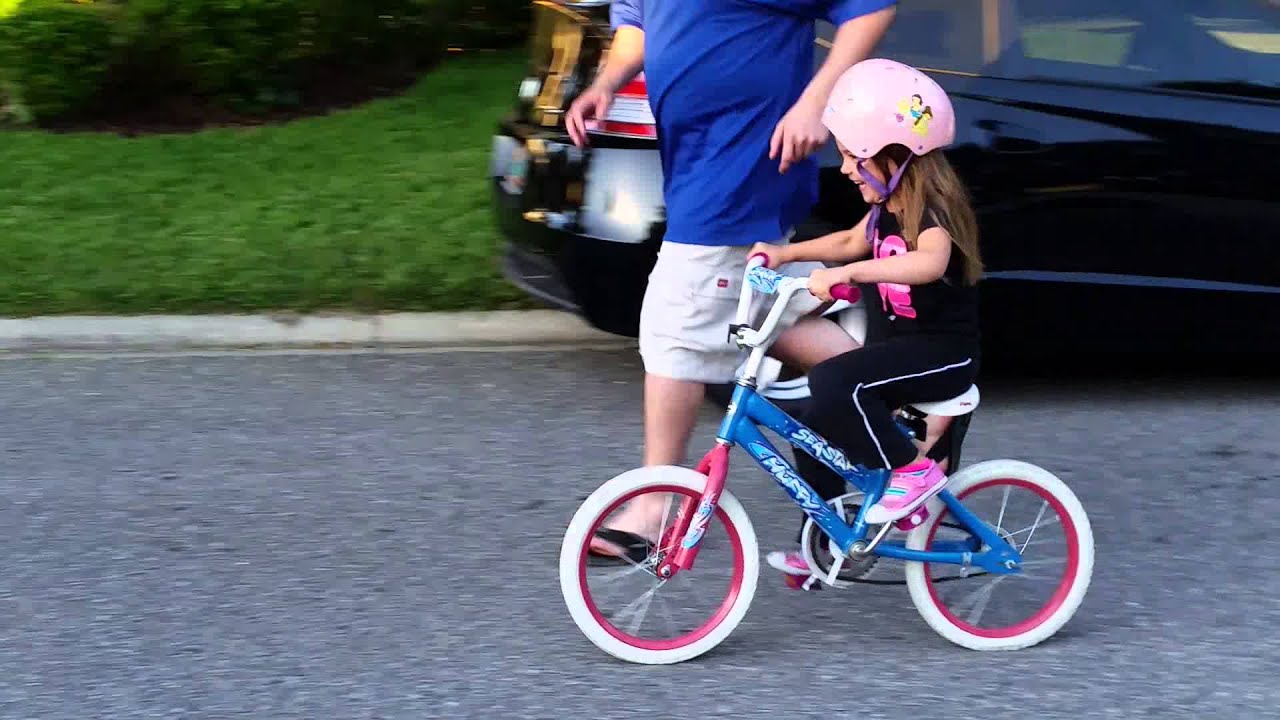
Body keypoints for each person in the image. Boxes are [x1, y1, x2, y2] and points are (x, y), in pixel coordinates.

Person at [565, 0, 899, 562]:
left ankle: (655, 507)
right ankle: (900, 449)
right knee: (776, 313)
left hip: (743, 164)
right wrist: (606, 83)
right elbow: (637, 27)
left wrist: (815, 101)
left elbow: (868, 8)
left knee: (674, 328)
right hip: (698, 166)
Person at [746, 58, 984, 584]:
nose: (848, 168)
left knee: (834, 379)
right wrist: (785, 256)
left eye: (856, 157)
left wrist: (849, 274)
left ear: (897, 157)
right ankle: (833, 539)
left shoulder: (932, 210)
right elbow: (849, 242)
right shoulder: (886, 205)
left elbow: (929, 263)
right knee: (811, 420)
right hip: (898, 350)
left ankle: (913, 473)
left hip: (942, 354)